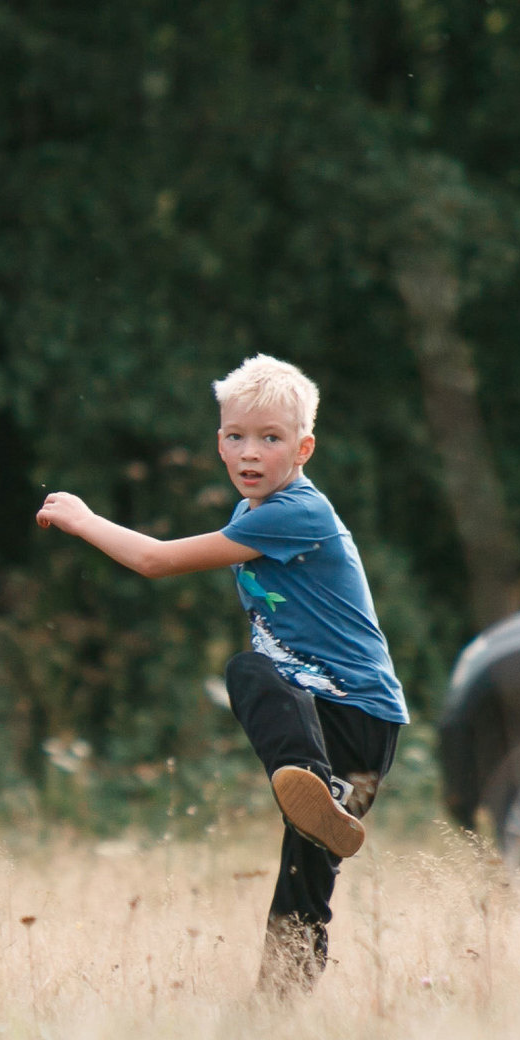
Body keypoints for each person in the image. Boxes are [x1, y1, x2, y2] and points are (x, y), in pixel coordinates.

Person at [36, 354, 409, 992]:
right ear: (218, 443)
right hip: (342, 723)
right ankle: (273, 1020)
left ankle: (316, 784)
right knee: (303, 888)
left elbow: (156, 561)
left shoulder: (297, 511)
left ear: (303, 448)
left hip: (349, 714)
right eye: (236, 436)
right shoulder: (251, 517)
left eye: (271, 438)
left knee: (249, 671)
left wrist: (82, 518)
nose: (251, 452)